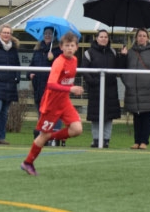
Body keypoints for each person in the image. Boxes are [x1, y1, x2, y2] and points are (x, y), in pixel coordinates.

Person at [20, 32, 85, 176]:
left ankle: (50, 136)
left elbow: (65, 81)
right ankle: (28, 162)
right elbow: (50, 84)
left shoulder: (74, 60)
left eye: (72, 45)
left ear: (76, 47)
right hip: (51, 104)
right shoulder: (59, 62)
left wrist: (70, 89)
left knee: (77, 129)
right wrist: (70, 89)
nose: (69, 48)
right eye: (66, 45)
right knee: (43, 135)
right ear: (61, 47)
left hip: (64, 102)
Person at [118, 28, 150, 150]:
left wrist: (149, 80)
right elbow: (122, 69)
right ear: (136, 38)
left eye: (144, 35)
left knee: (146, 116)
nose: (141, 37)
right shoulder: (130, 52)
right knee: (136, 117)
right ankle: (137, 141)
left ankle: (144, 141)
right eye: (139, 35)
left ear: (148, 38)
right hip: (133, 91)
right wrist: (123, 56)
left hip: (148, 90)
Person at [81, 29, 121, 148]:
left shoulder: (113, 52)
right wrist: (93, 82)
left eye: (106, 37)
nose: (104, 39)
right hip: (95, 89)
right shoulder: (89, 53)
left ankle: (106, 140)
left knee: (109, 116)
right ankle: (96, 139)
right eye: (101, 37)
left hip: (111, 90)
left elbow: (118, 67)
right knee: (96, 116)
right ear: (96, 38)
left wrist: (123, 56)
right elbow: (84, 70)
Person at [28, 26, 62, 145]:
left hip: (52, 87)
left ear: (54, 36)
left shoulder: (59, 51)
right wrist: (30, 74)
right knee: (41, 113)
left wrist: (52, 59)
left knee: (53, 113)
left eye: (50, 33)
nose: (47, 35)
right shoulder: (37, 50)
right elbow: (32, 66)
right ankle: (42, 138)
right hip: (38, 87)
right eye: (45, 33)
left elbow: (60, 68)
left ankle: (54, 138)